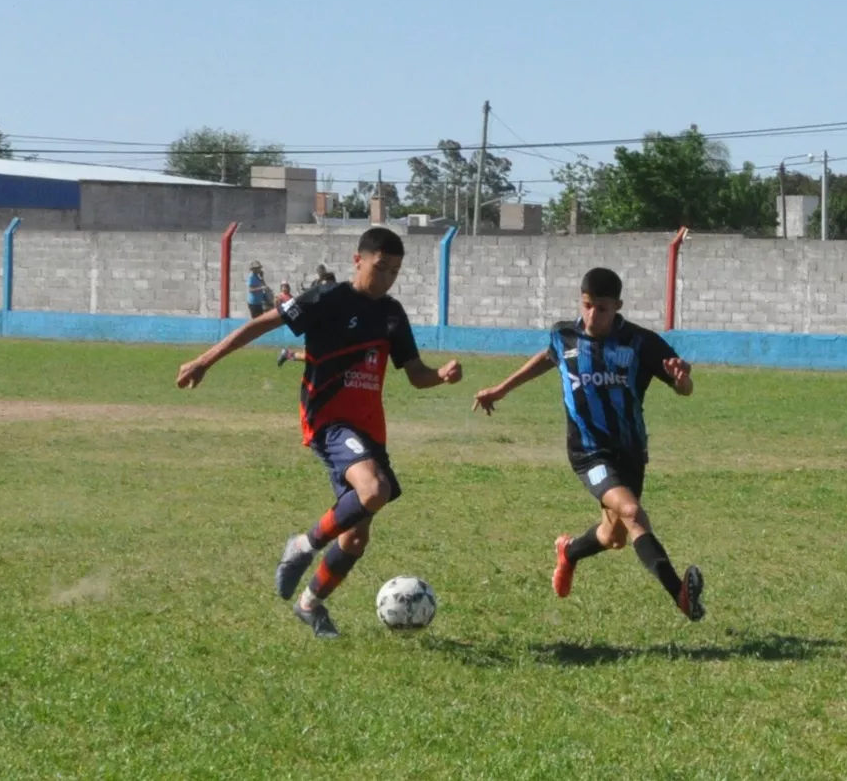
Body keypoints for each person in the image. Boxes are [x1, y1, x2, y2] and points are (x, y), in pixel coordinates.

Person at [177, 227, 464, 639]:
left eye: (396, 271)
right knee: (374, 491)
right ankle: (301, 547)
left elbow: (415, 374)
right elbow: (263, 323)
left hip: (368, 432)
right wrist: (205, 359)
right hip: (329, 421)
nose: (387, 278)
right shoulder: (329, 298)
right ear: (358, 260)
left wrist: (440, 375)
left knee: (355, 539)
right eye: (381, 267)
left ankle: (310, 605)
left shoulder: (393, 314)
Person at [472, 268, 705, 622]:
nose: (593, 315)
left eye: (603, 309)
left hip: (629, 450)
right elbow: (548, 357)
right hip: (587, 451)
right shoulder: (563, 335)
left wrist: (682, 380)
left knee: (614, 537)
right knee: (632, 514)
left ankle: (569, 552)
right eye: (587, 306)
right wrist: (501, 389)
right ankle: (680, 595)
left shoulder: (641, 343)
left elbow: (684, 389)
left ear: (618, 307)